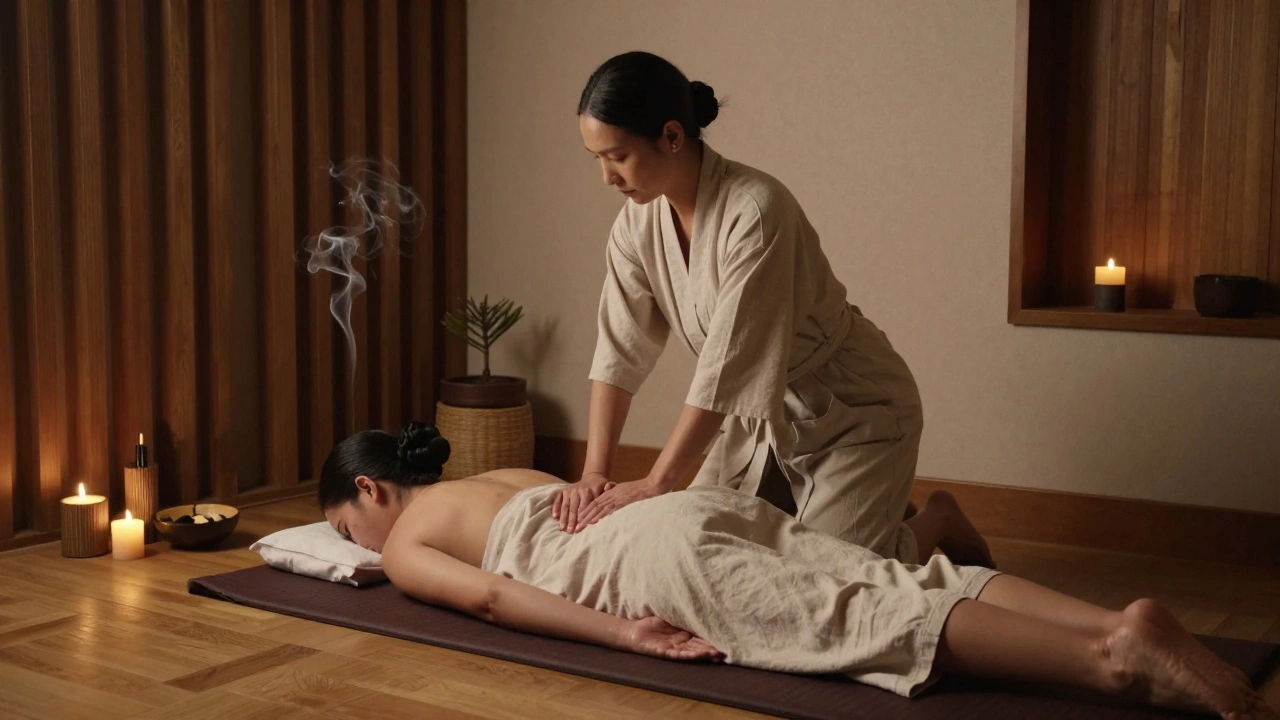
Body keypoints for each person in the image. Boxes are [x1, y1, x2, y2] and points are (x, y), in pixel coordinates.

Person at [319, 424, 1272, 718]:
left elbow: (495, 598)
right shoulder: (506, 474)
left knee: (855, 620)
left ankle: (1113, 658)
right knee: (894, 578)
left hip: (654, 559)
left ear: (371, 490)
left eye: (343, 528)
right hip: (692, 508)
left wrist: (624, 632)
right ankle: (1103, 619)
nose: (357, 547)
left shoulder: (404, 544)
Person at [557, 50, 981, 569]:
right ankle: (868, 505)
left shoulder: (756, 210)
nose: (607, 177)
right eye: (596, 159)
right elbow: (619, 350)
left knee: (831, 577)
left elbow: (724, 370)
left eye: (617, 156)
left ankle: (937, 516)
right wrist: (595, 473)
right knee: (696, 550)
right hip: (755, 422)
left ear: (671, 136)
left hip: (852, 410)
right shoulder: (634, 225)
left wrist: (656, 482)